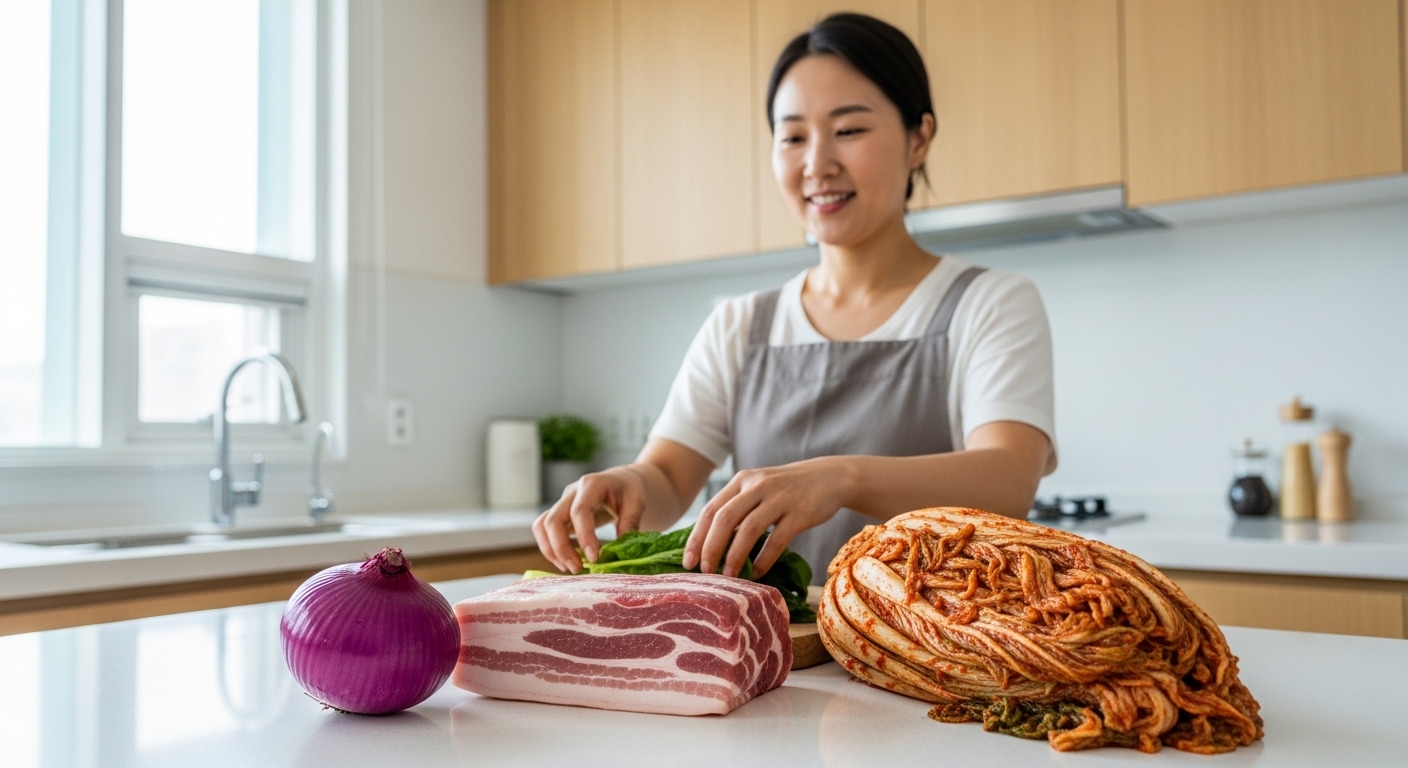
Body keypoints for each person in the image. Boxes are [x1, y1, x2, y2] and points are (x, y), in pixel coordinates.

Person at [533, 13, 1055, 585]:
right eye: (793, 137)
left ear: (919, 138)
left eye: (849, 130)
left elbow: (1010, 480)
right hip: (774, 633)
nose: (817, 165)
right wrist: (627, 485)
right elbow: (667, 481)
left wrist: (842, 479)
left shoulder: (989, 303)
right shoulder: (740, 324)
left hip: (923, 631)